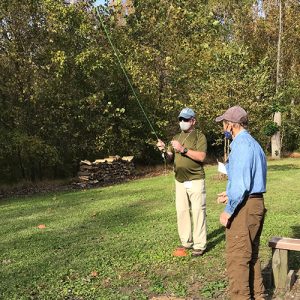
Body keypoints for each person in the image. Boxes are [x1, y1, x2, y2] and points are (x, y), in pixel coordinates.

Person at [215, 106, 267, 300]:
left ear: (231, 125)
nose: (223, 128)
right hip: (254, 203)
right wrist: (230, 194)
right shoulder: (254, 144)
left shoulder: (241, 145)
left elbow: (242, 184)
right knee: (251, 256)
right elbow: (251, 181)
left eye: (224, 124)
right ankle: (258, 296)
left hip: (246, 208)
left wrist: (228, 209)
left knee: (237, 258)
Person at [157, 107, 207, 257]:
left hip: (196, 179)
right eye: (180, 119)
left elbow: (201, 157)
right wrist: (163, 151)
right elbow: (170, 158)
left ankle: (199, 245)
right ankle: (186, 242)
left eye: (185, 119)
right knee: (182, 212)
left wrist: (183, 149)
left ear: (193, 121)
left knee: (198, 212)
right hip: (179, 180)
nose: (182, 122)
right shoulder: (176, 137)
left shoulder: (200, 136)